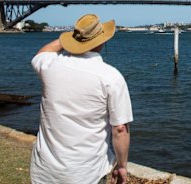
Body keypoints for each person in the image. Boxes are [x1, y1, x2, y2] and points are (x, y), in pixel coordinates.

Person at [30, 14, 133, 184]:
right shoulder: (111, 77)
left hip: (45, 169)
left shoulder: (50, 66)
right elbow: (120, 129)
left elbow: (42, 53)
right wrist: (121, 165)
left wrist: (68, 39)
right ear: (102, 41)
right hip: (86, 173)